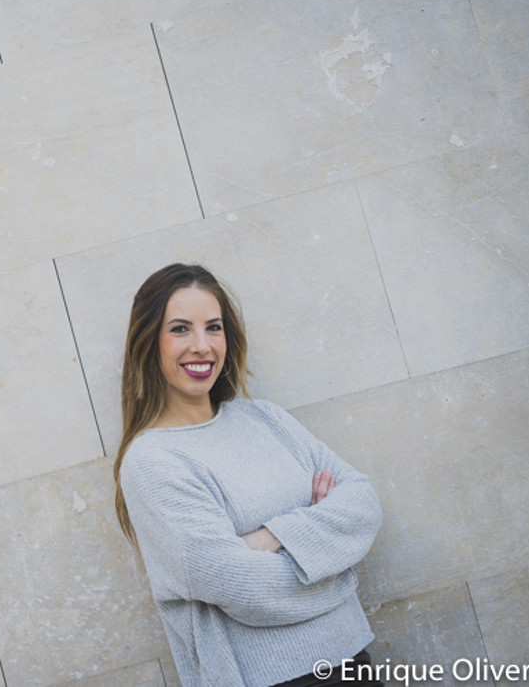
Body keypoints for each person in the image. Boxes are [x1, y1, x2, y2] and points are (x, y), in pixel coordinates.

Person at [114, 263, 383, 687]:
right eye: (180, 329)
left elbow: (362, 505)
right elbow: (243, 587)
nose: (201, 346)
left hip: (352, 658)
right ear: (148, 342)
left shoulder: (265, 418)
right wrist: (330, 563)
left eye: (213, 327)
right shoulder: (153, 461)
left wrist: (269, 537)